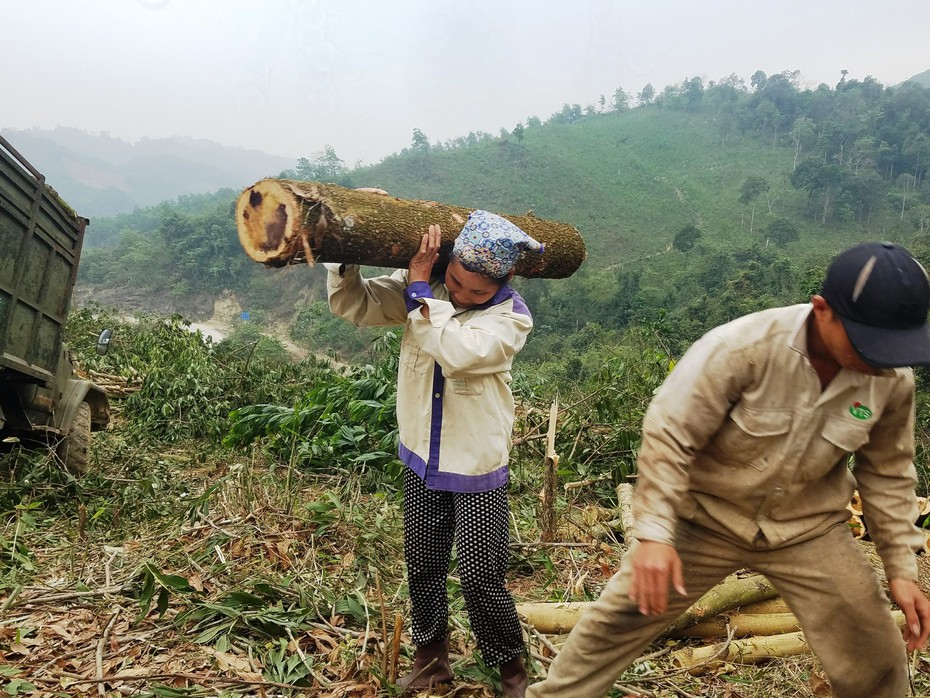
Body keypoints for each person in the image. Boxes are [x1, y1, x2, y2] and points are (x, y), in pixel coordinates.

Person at [527, 241, 930, 698]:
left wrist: (901, 566)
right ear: (822, 310)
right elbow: (670, 433)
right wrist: (655, 536)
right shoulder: (743, 348)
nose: (877, 360)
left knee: (874, 652)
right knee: (617, 621)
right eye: (866, 343)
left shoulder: (890, 378)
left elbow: (889, 472)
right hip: (703, 518)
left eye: (891, 348)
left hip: (808, 528)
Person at [325, 210, 545, 697]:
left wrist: (423, 289)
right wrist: (348, 247)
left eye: (476, 292)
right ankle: (430, 660)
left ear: (504, 280)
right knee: (423, 561)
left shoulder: (510, 319)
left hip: (474, 465)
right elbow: (355, 304)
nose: (463, 295)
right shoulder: (425, 288)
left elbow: (457, 351)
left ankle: (511, 671)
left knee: (480, 573)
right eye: (456, 283)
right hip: (422, 454)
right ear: (447, 265)